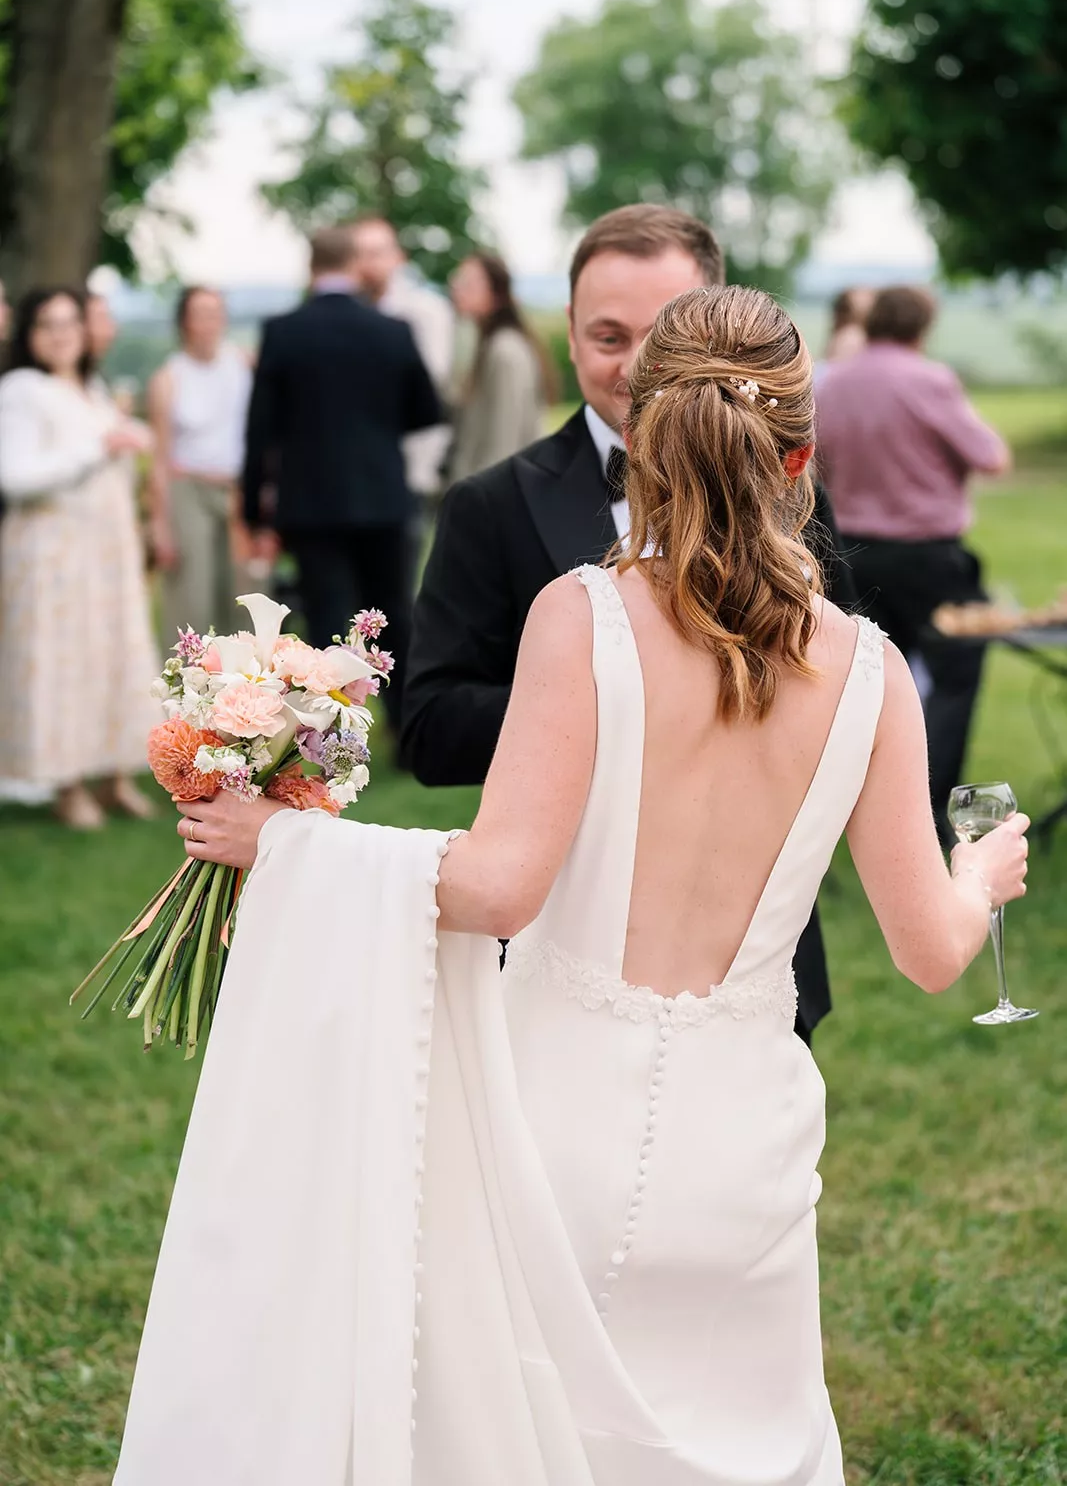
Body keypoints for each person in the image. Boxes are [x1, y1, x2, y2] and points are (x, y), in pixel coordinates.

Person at [114, 284, 1030, 1486]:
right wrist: (977, 872)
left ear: (639, 448)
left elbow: (495, 886)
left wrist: (288, 844)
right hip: (741, 1152)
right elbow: (927, 949)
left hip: (549, 1134)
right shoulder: (865, 669)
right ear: (801, 456)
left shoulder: (581, 618)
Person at [402, 203, 855, 1045]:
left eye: (667, 336)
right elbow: (426, 729)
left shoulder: (791, 495)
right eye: (609, 338)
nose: (639, 368)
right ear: (568, 337)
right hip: (559, 942)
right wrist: (601, 702)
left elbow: (836, 696)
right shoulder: (489, 506)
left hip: (756, 952)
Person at [815, 285, 1010, 844]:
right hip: (927, 555)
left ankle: (863, 815)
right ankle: (929, 816)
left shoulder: (836, 382)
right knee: (953, 676)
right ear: (923, 327)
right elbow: (991, 456)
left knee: (870, 686)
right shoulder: (928, 380)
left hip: (851, 552)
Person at [242, 227, 443, 726]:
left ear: (311, 269)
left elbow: (258, 432)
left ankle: (329, 735)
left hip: (311, 500)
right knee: (393, 614)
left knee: (328, 618)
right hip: (382, 494)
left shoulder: (283, 331)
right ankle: (409, 726)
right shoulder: (391, 329)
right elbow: (427, 410)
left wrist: (252, 511)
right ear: (354, 265)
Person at [0, 289, 158, 828]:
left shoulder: (91, 387)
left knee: (112, 654)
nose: (62, 333)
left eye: (70, 322)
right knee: (65, 664)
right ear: (29, 334)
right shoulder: (22, 390)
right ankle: (67, 784)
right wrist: (101, 449)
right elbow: (15, 476)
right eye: (48, 324)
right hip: (53, 551)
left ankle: (115, 775)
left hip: (104, 549)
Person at [146, 286, 253, 645]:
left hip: (236, 489)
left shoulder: (243, 363)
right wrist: (159, 525)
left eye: (215, 313)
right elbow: (159, 458)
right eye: (200, 314)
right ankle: (183, 689)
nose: (209, 323)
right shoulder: (168, 378)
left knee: (242, 598)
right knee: (191, 602)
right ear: (184, 322)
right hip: (188, 489)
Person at [350, 214, 455, 501]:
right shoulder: (347, 314)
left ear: (398, 257)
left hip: (410, 463)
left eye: (376, 254)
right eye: (359, 255)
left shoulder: (426, 311)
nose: (367, 264)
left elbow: (432, 380)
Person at [447, 251, 552, 481]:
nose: (456, 287)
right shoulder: (486, 344)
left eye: (467, 281)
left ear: (495, 293)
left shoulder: (506, 350)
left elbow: (505, 440)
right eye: (455, 279)